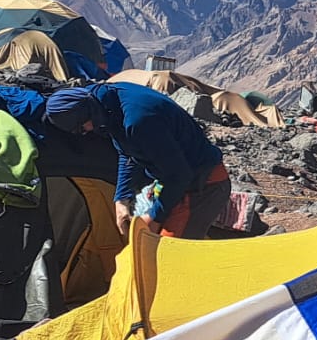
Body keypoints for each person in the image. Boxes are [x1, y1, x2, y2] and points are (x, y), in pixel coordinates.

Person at [43, 82, 230, 238]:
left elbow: (179, 175)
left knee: (167, 253)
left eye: (82, 128)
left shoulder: (139, 122)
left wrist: (154, 217)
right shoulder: (108, 103)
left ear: (86, 113)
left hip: (203, 186)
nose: (86, 132)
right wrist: (121, 199)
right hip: (176, 181)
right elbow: (127, 153)